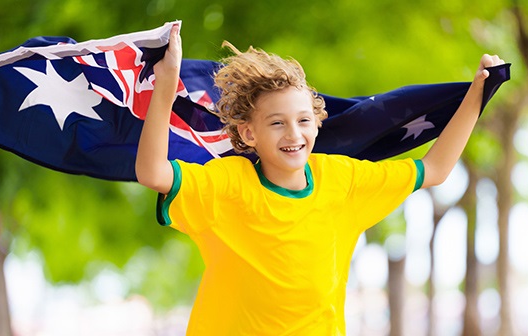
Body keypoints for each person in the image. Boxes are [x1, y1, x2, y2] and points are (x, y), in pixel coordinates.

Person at [135, 24, 505, 335]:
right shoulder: (229, 184)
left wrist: (478, 91)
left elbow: (435, 169)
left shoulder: (341, 179)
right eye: (277, 123)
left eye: (303, 121)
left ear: (316, 123)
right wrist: (165, 87)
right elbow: (153, 173)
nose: (293, 134)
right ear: (249, 135)